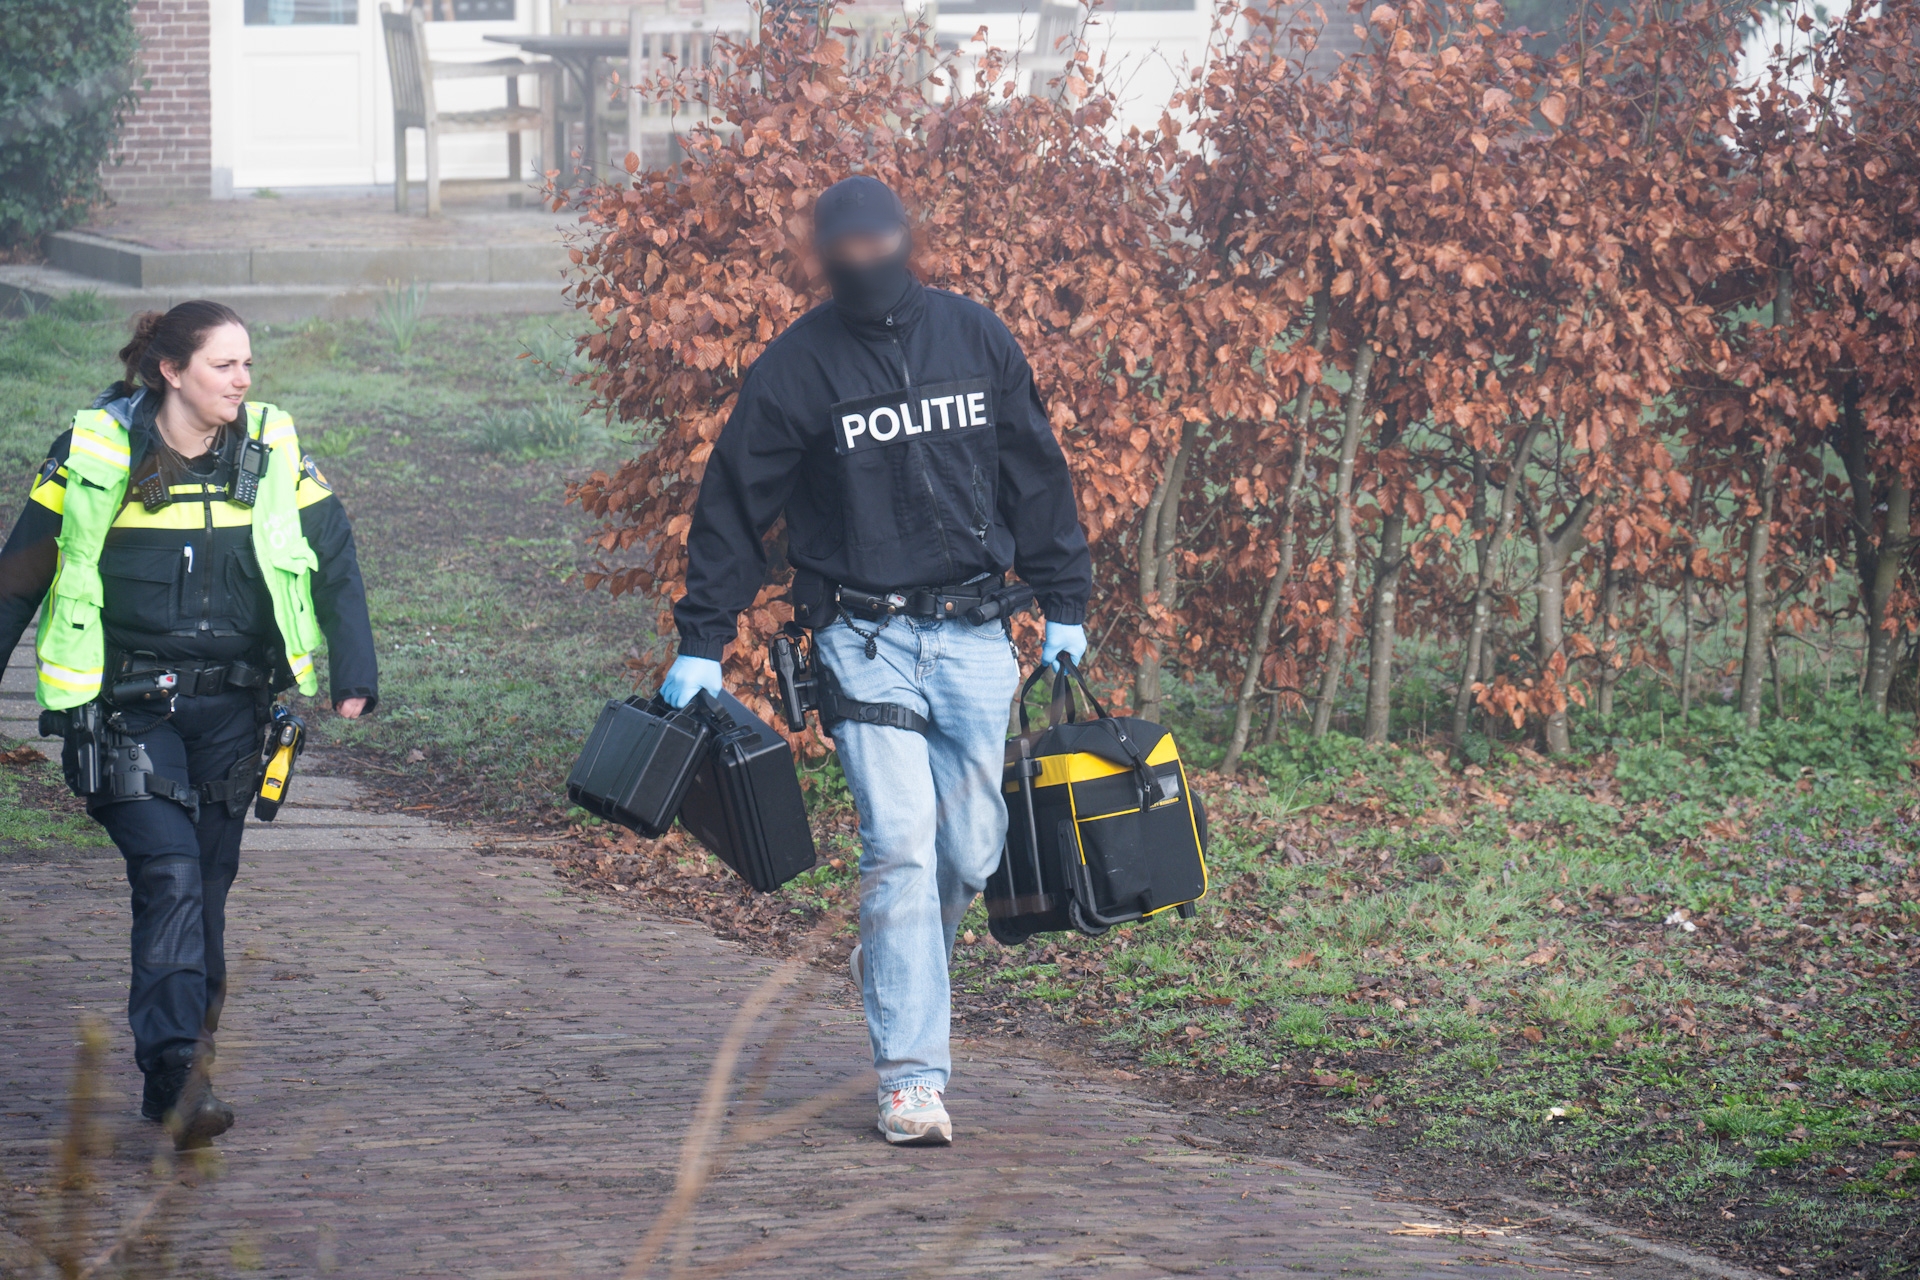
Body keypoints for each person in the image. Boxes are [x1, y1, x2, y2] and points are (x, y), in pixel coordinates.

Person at [662, 176, 1093, 1145]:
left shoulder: (974, 337)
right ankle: (910, 1076)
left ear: (907, 239)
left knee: (969, 852)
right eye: (844, 248)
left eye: (878, 243)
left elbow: (1034, 466)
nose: (865, 262)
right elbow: (734, 502)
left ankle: (892, 958)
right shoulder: (796, 368)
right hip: (864, 639)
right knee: (899, 842)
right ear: (824, 253)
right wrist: (702, 638)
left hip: (979, 633)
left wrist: (1064, 597)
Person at [0, 301, 378, 1148]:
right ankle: (173, 1071)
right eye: (224, 366)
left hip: (233, 716)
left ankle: (183, 1074)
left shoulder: (272, 451)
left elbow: (335, 554)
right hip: (126, 710)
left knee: (204, 894)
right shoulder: (95, 454)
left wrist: (355, 669)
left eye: (249, 364)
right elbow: (20, 573)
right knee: (168, 873)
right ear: (172, 371)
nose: (244, 381)